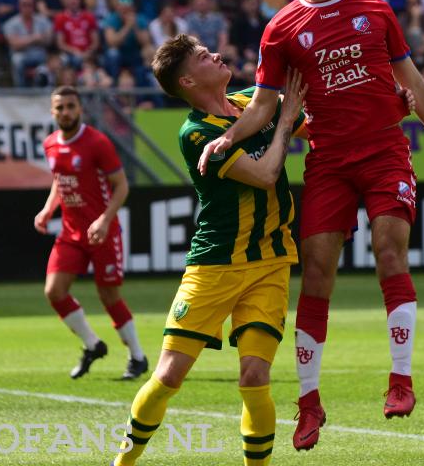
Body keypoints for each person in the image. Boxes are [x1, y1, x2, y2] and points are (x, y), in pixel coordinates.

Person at [198, 0, 424, 451]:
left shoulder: (374, 9)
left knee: (390, 252)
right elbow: (266, 105)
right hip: (328, 162)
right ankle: (311, 403)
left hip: (386, 151)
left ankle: (400, 381)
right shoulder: (281, 30)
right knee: (317, 273)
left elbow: (410, 78)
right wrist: (226, 137)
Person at [112, 35, 308, 466]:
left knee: (255, 377)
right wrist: (288, 119)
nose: (217, 54)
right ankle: (123, 462)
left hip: (270, 263)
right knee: (167, 377)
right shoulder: (196, 132)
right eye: (204, 56)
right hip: (215, 265)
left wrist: (389, 104)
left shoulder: (248, 104)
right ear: (187, 79)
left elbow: (322, 119)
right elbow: (265, 174)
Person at [34, 86, 149, 380]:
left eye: (70, 106)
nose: (66, 112)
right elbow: (61, 182)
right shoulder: (50, 144)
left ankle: (137, 357)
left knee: (108, 294)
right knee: (54, 291)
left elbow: (121, 186)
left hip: (102, 232)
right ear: (52, 112)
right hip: (71, 233)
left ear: (80, 109)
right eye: (60, 107)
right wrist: (48, 210)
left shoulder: (97, 142)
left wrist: (104, 220)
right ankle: (93, 344)